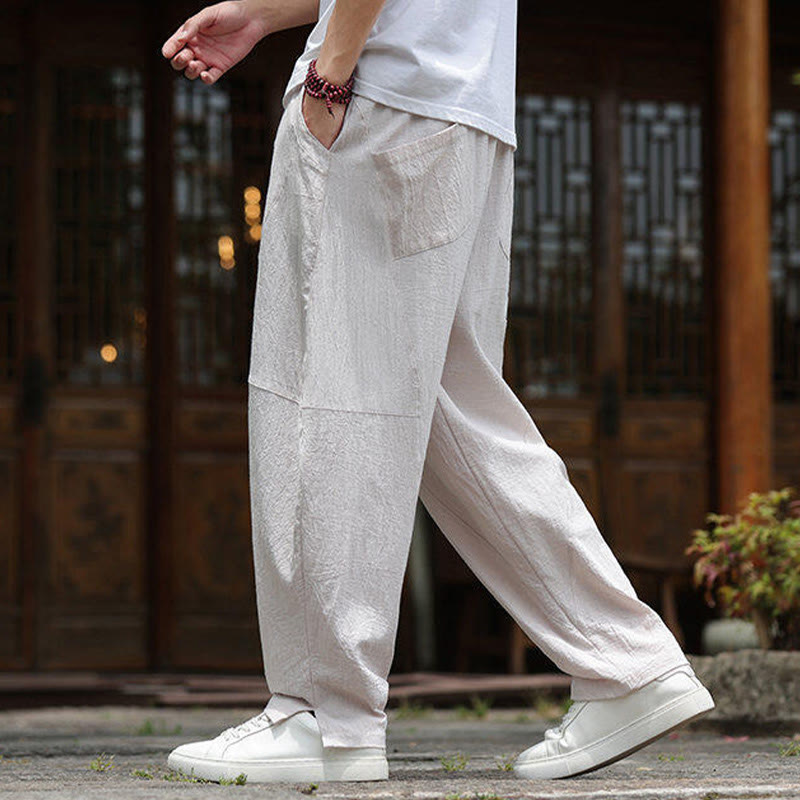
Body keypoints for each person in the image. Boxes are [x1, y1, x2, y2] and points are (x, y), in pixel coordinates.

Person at [160, 0, 715, 784]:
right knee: (453, 415)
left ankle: (324, 715)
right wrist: (268, 15)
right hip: (459, 113)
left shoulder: (350, 85)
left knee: (326, 402)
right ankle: (627, 662)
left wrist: (330, 72)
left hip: (378, 101)